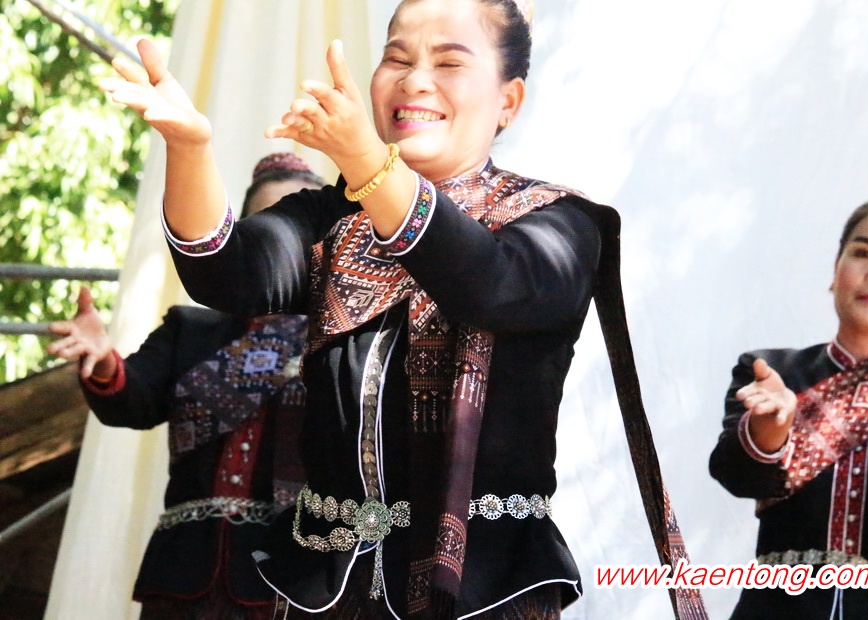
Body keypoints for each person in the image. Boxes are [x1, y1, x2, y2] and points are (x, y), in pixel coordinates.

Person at [100, 1, 705, 618]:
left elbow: (485, 284)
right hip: (327, 589)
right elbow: (228, 273)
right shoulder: (331, 218)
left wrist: (368, 164)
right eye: (397, 57)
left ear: (508, 100)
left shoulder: (558, 224)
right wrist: (189, 148)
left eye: (449, 62)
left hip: (483, 593)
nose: (415, 79)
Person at [46, 152, 325, 619]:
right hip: (183, 576)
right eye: (270, 225)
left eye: (302, 230)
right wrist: (104, 361)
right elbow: (133, 401)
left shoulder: (343, 341)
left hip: (292, 579)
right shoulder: (192, 329)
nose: (287, 244)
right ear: (245, 238)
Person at [709, 199, 868, 619]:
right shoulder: (772, 372)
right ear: (834, 272)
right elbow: (736, 476)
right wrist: (771, 428)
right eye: (863, 252)